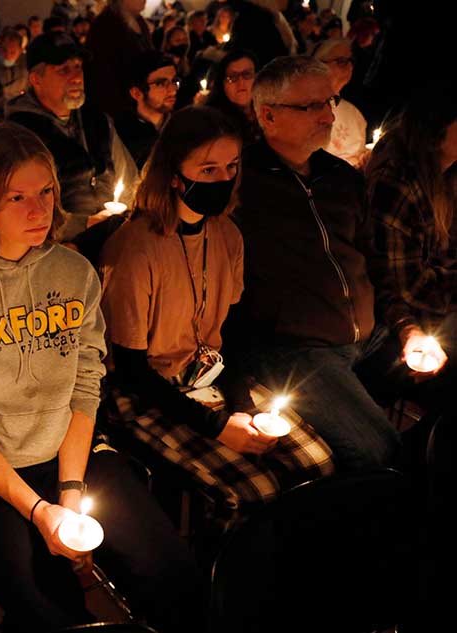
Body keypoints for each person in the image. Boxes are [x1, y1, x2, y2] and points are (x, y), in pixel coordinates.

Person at [0, 122, 205, 633]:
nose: (38, 210)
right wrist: (40, 512)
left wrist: (68, 492)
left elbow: (86, 383)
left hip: (72, 454)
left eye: (45, 191)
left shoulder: (73, 272)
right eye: (16, 197)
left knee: (175, 577)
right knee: (52, 610)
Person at [100, 105, 334, 515]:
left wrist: (242, 407)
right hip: (151, 391)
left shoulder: (227, 235)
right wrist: (219, 427)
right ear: (174, 174)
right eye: (208, 170)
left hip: (211, 373)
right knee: (255, 491)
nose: (223, 179)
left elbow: (235, 334)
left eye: (231, 167)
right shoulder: (136, 247)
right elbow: (133, 370)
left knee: (319, 463)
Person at [227, 55, 400, 472]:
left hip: (369, 334)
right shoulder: (239, 186)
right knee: (380, 452)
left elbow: (372, 258)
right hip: (296, 350)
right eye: (312, 107)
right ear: (268, 114)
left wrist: (405, 326)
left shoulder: (340, 177)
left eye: (330, 102)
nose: (329, 116)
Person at [362, 81, 457, 420]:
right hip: (400, 315)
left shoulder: (448, 173)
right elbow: (406, 287)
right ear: (437, 130)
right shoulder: (397, 182)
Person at [8, 32, 138, 241]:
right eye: (63, 70)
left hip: (115, 236)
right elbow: (24, 208)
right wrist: (83, 224)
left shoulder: (97, 120)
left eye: (78, 67)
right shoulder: (21, 134)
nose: (76, 77)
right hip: (60, 244)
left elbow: (129, 178)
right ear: (36, 79)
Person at [85, 0, 154, 120]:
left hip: (143, 100)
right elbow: (101, 74)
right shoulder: (105, 25)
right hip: (121, 108)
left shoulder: (140, 21)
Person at [114, 52, 178, 171]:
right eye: (161, 83)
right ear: (136, 93)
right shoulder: (120, 137)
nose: (173, 90)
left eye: (174, 81)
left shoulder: (182, 124)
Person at [313, 38, 367, 168]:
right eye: (342, 62)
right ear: (319, 65)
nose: (349, 67)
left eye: (351, 61)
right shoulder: (304, 109)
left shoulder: (354, 113)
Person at [204, 49, 262, 145]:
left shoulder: (271, 111)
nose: (241, 83)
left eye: (247, 74)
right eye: (232, 77)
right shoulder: (215, 124)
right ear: (222, 84)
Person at [0, 27, 28, 112]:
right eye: (4, 50)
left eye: (12, 52)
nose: (7, 55)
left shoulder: (26, 65)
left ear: (20, 50)